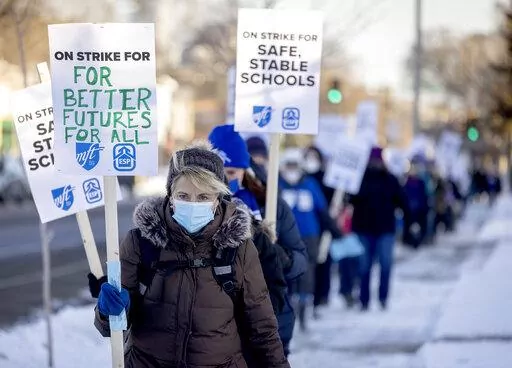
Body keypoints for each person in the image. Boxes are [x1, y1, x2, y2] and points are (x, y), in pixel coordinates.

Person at [93, 141, 290, 368]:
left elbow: (262, 327)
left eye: (203, 197)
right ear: (171, 196)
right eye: (183, 196)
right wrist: (108, 313)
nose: (193, 204)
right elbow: (112, 328)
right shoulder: (142, 243)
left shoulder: (238, 248)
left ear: (217, 199)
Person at [208, 124, 308, 356]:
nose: (225, 180)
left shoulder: (270, 204)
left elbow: (301, 261)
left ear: (245, 170)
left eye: (231, 173)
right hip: (215, 328)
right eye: (219, 173)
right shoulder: (196, 206)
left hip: (268, 322)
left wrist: (281, 257)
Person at [279, 147, 342, 330]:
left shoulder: (310, 184)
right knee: (287, 272)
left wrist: (335, 230)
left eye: (295, 166)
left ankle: (305, 306)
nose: (292, 170)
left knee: (307, 272)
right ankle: (288, 307)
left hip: (309, 237)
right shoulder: (278, 186)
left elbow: (322, 211)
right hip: (285, 238)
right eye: (288, 166)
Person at [349, 146, 408, 311]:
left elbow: (401, 201)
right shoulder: (358, 179)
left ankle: (382, 298)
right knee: (364, 267)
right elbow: (350, 200)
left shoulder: (390, 180)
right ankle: (364, 299)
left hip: (384, 230)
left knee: (385, 265)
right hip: (363, 229)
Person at [302, 146, 336, 308]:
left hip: (323, 225)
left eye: (314, 157)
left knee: (324, 261)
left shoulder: (327, 178)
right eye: (308, 157)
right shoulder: (301, 178)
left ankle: (322, 295)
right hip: (307, 227)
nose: (311, 160)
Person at [402, 164, 430, 248]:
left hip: (419, 209)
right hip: (410, 210)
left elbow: (424, 195)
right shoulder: (407, 183)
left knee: (419, 226)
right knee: (410, 226)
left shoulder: (420, 182)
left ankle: (418, 240)